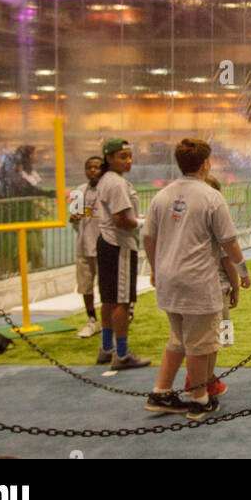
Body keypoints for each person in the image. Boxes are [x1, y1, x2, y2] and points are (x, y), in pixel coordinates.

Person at [143, 139, 243, 420]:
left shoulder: (161, 196)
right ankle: (199, 398)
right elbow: (229, 242)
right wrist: (243, 273)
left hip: (168, 279)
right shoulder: (212, 197)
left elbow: (149, 238)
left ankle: (161, 390)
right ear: (205, 163)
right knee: (201, 342)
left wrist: (155, 268)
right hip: (198, 281)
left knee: (178, 338)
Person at [180, 174, 251, 401]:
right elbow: (227, 257)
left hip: (191, 286)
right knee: (212, 338)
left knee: (200, 337)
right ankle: (202, 382)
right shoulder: (215, 221)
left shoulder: (188, 221)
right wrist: (239, 283)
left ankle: (201, 379)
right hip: (214, 288)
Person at [94, 138, 150, 370]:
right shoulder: (115, 183)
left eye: (129, 156)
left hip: (108, 243)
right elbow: (121, 220)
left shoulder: (109, 180)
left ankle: (107, 348)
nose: (128, 161)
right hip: (119, 245)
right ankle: (122, 353)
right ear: (109, 158)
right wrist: (144, 222)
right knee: (122, 300)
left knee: (109, 299)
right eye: (122, 156)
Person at [0, 145, 49, 276]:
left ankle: (35, 275)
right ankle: (8, 276)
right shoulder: (1, 181)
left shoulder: (24, 177)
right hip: (8, 225)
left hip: (26, 222)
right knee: (10, 256)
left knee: (33, 252)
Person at [69, 156, 103, 338]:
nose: (92, 170)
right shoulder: (79, 192)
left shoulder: (109, 191)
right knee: (85, 286)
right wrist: (73, 218)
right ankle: (92, 320)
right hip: (84, 247)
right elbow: (73, 220)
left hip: (105, 248)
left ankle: (111, 321)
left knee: (106, 288)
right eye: (89, 167)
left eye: (97, 167)